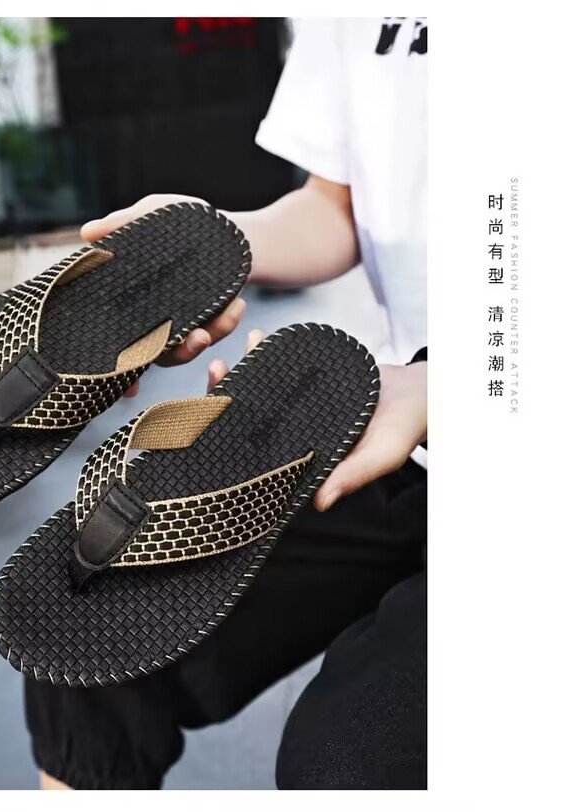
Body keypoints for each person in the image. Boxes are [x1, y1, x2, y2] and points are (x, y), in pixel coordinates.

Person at [25, 17, 427, 789]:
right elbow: (334, 206)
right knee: (79, 614)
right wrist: (214, 245)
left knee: (350, 760)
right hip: (396, 430)